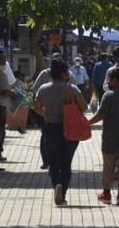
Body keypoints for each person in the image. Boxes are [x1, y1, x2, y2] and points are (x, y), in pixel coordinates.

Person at [35, 60, 87, 205]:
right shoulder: (73, 89)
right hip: (70, 129)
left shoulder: (43, 89)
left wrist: (47, 113)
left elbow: (37, 107)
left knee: (53, 162)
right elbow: (83, 107)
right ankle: (62, 192)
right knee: (66, 163)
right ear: (64, 74)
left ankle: (56, 184)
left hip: (51, 127)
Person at [89, 68, 119, 206]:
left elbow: (101, 114)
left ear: (116, 81)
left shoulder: (108, 96)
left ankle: (106, 193)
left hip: (110, 137)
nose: (109, 82)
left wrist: (87, 123)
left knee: (108, 165)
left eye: (110, 79)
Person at [33, 53, 76, 170]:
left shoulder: (70, 75)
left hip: (52, 115)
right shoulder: (45, 74)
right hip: (57, 115)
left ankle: (55, 163)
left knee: (50, 137)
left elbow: (36, 91)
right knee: (47, 137)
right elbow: (77, 97)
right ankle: (47, 161)